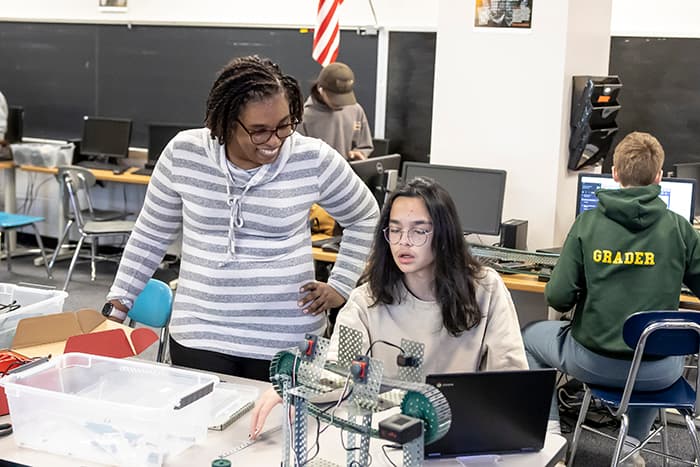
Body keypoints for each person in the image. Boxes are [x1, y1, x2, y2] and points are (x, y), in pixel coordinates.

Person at [104, 55, 380, 381]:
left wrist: (341, 284)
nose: (274, 140)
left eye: (283, 126)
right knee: (204, 428)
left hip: (286, 340)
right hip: (200, 332)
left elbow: (365, 216)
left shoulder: (312, 158)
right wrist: (118, 307)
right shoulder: (183, 153)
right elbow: (150, 234)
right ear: (225, 122)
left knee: (280, 431)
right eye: (259, 131)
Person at [250, 177, 528, 438]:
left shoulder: (485, 289)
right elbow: (338, 371)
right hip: (387, 436)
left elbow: (510, 379)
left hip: (461, 431)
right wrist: (297, 383)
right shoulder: (366, 300)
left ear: (444, 234)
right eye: (395, 230)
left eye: (419, 231)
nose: (404, 241)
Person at [522, 131, 700, 467]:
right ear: (660, 176)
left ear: (614, 174)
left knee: (529, 337)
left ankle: (549, 439)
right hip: (661, 372)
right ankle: (632, 446)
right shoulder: (680, 229)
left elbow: (558, 298)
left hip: (593, 364)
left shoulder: (587, 224)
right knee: (650, 345)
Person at [297, 62, 373, 161]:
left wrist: (359, 153)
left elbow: (364, 146)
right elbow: (298, 156)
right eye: (335, 98)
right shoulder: (304, 117)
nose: (340, 103)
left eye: (344, 97)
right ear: (321, 90)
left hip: (348, 173)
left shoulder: (356, 110)